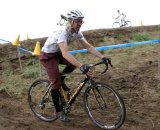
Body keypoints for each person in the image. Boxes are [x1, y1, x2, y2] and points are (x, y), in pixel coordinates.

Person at [40, 9, 111, 122]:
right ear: (71, 21)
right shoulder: (62, 32)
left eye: (81, 21)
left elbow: (88, 46)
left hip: (58, 53)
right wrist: (81, 66)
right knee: (56, 83)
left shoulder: (77, 32)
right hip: (48, 56)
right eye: (77, 21)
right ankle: (58, 111)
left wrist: (102, 57)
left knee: (73, 64)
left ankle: (62, 80)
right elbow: (65, 53)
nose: (79, 24)